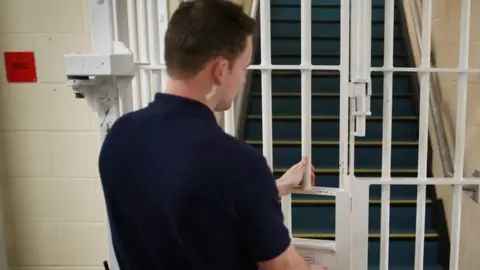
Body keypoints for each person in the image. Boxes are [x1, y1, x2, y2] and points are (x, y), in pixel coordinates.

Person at [98, 0, 326, 269]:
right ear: (220, 70)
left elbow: (184, 202)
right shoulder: (236, 163)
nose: (242, 80)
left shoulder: (119, 138)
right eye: (242, 67)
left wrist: (274, 187)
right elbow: (283, 267)